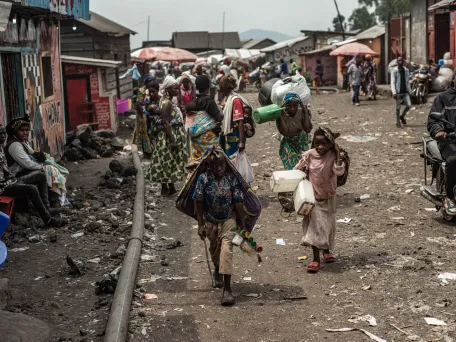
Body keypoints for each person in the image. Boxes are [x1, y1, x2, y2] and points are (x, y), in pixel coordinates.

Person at [193, 147, 246, 305]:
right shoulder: (203, 179)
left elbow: (238, 202)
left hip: (229, 220)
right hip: (210, 221)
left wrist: (242, 225)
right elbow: (198, 200)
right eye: (215, 166)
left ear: (226, 164)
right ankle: (217, 268)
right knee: (215, 249)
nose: (219, 168)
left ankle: (228, 290)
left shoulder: (231, 179)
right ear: (209, 166)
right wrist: (200, 224)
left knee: (226, 250)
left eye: (221, 165)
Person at [294, 127, 346, 273]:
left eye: (324, 144)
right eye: (317, 144)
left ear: (331, 144)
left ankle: (326, 251)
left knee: (327, 225)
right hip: (313, 197)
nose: (320, 147)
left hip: (329, 196)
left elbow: (339, 171)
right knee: (315, 227)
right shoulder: (310, 155)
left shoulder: (334, 155)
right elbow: (297, 169)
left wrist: (337, 154)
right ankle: (316, 258)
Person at [0, 125, 66, 227]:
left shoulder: (2, 147)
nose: (3, 136)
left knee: (41, 176)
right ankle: (48, 220)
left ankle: (46, 207)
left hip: (12, 180)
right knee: (31, 188)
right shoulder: (13, 145)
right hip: (4, 187)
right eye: (0, 134)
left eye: (4, 133)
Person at [5, 117, 68, 210]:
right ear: (15, 131)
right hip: (17, 176)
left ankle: (54, 200)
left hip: (24, 171)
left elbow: (32, 153)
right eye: (21, 130)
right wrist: (42, 166)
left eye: (27, 130)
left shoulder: (22, 142)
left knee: (51, 168)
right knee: (47, 171)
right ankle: (51, 202)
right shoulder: (14, 145)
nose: (25, 132)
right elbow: (27, 164)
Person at [147, 76, 188, 196]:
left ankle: (170, 187)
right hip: (169, 136)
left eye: (177, 88)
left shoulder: (168, 101)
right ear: (168, 89)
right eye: (175, 88)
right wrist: (173, 140)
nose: (177, 90)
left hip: (170, 134)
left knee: (169, 161)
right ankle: (165, 188)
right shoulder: (166, 103)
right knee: (166, 160)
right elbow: (166, 123)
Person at [427, 85, 456, 215]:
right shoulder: (443, 98)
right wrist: (439, 131)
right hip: (449, 140)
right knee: (454, 159)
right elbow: (433, 122)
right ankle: (450, 198)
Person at [185, 75, 224, 161]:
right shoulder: (209, 101)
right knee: (211, 160)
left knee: (199, 162)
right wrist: (221, 110)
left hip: (196, 140)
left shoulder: (194, 101)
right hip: (208, 137)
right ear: (208, 86)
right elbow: (219, 118)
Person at [276, 93, 313, 170]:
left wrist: (305, 112)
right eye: (288, 105)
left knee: (305, 165)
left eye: (295, 105)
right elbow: (284, 132)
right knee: (291, 167)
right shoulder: (281, 115)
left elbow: (308, 129)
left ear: (298, 105)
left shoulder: (302, 113)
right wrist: (280, 116)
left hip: (301, 142)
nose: (292, 108)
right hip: (288, 143)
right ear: (284, 106)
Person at [219, 75, 252, 157]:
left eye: (221, 87)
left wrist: (241, 142)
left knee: (234, 161)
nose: (220, 90)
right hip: (229, 136)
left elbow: (240, 121)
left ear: (225, 87)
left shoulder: (235, 100)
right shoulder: (227, 99)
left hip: (235, 136)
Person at [132, 79, 153, 157]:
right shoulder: (141, 91)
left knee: (143, 132)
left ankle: (146, 150)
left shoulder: (145, 91)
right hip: (142, 115)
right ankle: (147, 150)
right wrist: (142, 114)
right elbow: (138, 104)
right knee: (143, 131)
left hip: (143, 114)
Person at [391, 56, 411, 128]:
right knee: (398, 107)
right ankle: (397, 122)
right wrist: (394, 92)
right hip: (398, 92)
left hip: (405, 91)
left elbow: (407, 81)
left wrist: (409, 90)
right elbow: (393, 82)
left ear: (403, 62)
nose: (400, 62)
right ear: (397, 62)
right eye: (399, 61)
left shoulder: (406, 70)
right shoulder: (394, 71)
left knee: (409, 105)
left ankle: (402, 116)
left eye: (402, 61)